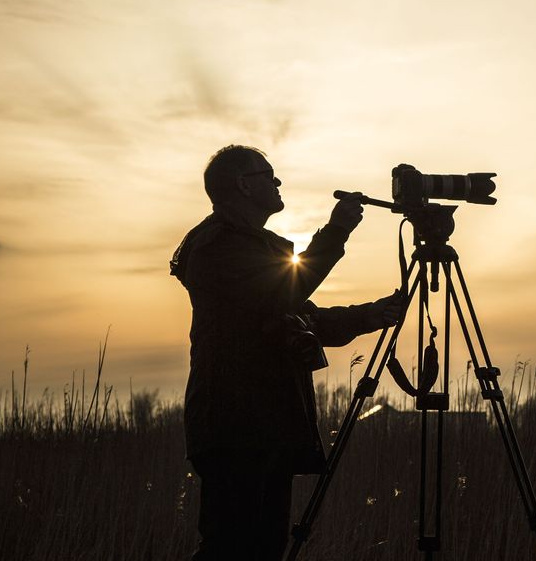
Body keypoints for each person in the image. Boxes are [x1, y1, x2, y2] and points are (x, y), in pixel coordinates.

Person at [169, 145, 402, 560]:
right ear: (243, 184)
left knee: (264, 548)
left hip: (266, 423)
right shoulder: (217, 247)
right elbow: (283, 295)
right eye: (269, 176)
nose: (278, 184)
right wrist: (336, 232)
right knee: (229, 548)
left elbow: (297, 316)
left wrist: (372, 314)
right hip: (234, 424)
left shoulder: (252, 247)